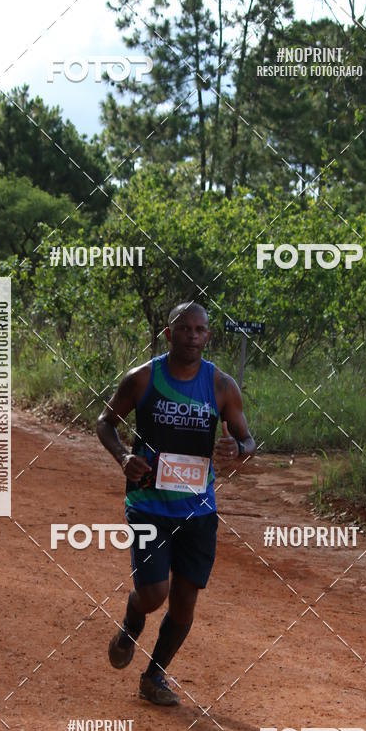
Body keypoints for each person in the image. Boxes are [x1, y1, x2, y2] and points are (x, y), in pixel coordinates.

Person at [96, 302, 256, 706]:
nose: (191, 336)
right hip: (149, 503)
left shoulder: (221, 386)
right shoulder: (143, 378)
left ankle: (154, 678)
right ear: (169, 334)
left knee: (185, 601)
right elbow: (105, 422)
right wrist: (123, 458)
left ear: (208, 336)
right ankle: (131, 625)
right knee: (153, 595)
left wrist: (237, 448)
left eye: (199, 329)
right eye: (182, 328)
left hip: (198, 509)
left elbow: (248, 441)